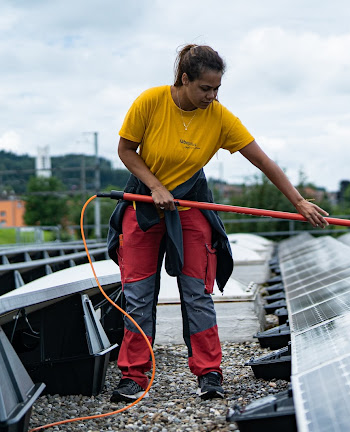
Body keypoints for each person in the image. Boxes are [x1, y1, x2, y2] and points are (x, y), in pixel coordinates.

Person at [106, 44, 328, 402]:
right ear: (184, 79)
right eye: (205, 88)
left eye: (217, 89)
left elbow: (264, 161)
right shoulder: (150, 101)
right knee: (138, 296)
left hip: (191, 204)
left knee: (197, 293)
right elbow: (126, 150)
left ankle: (209, 373)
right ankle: (133, 375)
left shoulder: (220, 118)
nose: (212, 96)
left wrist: (298, 201)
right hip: (144, 203)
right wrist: (156, 186)